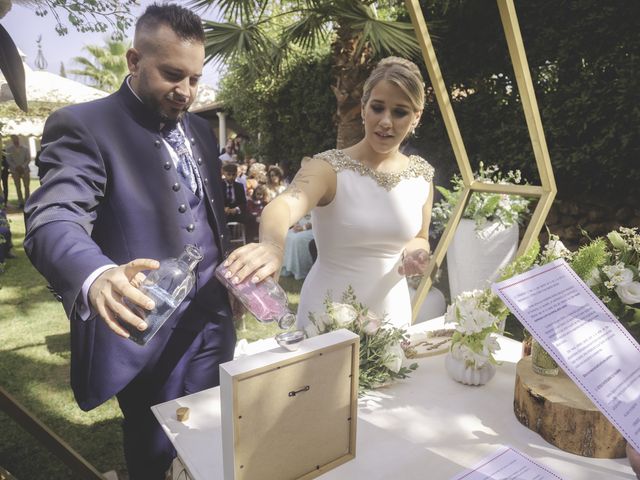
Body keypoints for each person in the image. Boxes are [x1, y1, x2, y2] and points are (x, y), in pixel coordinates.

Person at [23, 5, 235, 479]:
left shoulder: (201, 130)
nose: (186, 92)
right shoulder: (83, 126)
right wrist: (96, 274)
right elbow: (53, 216)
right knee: (156, 452)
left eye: (195, 79)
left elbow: (207, 217)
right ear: (134, 60)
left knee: (216, 441)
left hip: (214, 322)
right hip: (144, 330)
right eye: (172, 74)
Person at [223, 56, 434, 331]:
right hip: (327, 313)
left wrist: (418, 253)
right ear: (363, 109)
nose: (385, 121)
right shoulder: (328, 168)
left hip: (391, 313)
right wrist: (272, 247)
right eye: (378, 108)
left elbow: (420, 237)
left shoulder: (422, 176)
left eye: (400, 112)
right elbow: (284, 206)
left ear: (416, 117)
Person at [5, 135, 30, 208]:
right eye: (13, 139)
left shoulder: (25, 148)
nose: (15, 140)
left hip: (25, 170)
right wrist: (16, 167)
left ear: (18, 139)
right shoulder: (9, 149)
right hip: (15, 170)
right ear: (12, 140)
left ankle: (27, 201)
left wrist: (22, 166)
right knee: (18, 187)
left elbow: (28, 159)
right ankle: (20, 202)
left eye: (16, 138)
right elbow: (8, 160)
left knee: (26, 186)